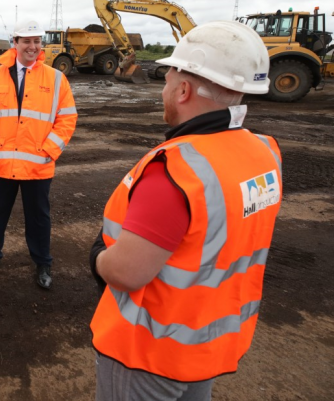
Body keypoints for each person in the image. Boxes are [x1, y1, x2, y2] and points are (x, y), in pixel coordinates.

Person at [88, 21, 283, 401]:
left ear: (183, 90)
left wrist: (97, 256)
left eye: (167, 80)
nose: (162, 90)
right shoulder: (266, 152)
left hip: (150, 354)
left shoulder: (176, 170)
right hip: (209, 343)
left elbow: (128, 272)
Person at [0, 19, 77, 289]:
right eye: (26, 41)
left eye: (37, 41)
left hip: (37, 165)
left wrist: (48, 151)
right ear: (14, 43)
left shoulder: (55, 78)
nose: (33, 46)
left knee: (39, 217)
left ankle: (43, 262)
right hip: (1, 163)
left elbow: (67, 119)